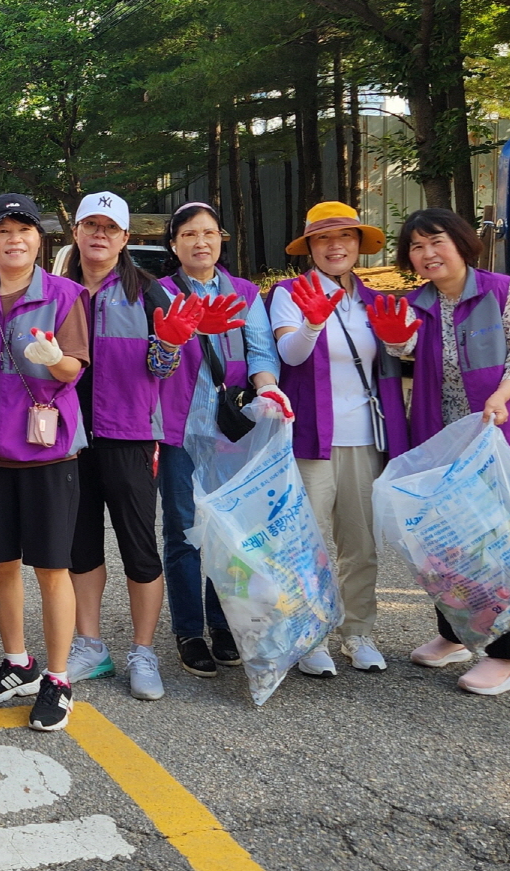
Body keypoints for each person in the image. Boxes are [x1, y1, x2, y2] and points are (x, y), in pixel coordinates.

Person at [377, 208, 510, 696]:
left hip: (509, 440)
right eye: (416, 247)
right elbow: (402, 354)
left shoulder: (503, 291)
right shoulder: (418, 304)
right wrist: (396, 342)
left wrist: (501, 397)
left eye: (435, 241)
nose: (427, 254)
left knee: (509, 551)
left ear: (461, 242)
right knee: (450, 545)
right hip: (448, 443)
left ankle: (508, 658)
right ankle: (455, 635)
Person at [0, 193, 89, 732]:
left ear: (41, 240)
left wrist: (56, 361)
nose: (14, 239)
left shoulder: (65, 294)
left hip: (46, 455)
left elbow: (74, 369)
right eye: (3, 231)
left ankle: (57, 678)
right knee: (1, 564)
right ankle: (17, 662)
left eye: (25, 230)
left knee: (52, 569)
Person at [62, 192, 203, 701]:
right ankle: (90, 644)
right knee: (80, 547)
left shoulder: (149, 293)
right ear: (75, 233)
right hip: (69, 439)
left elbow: (162, 371)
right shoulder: (58, 291)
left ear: (125, 239)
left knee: (140, 549)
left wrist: (167, 347)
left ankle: (143, 651)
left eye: (110, 228)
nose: (99, 235)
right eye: (90, 225)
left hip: (131, 436)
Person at [268, 202, 410, 677]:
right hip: (310, 436)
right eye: (324, 239)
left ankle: (359, 632)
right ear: (309, 247)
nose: (336, 246)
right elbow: (289, 354)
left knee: (360, 544)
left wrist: (400, 342)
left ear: (358, 245)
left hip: (364, 436)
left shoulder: (372, 298)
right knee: (307, 544)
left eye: (346, 237)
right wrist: (311, 322)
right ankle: (309, 637)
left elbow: (397, 351)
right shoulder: (290, 293)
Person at [157, 201, 287, 678]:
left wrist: (268, 388)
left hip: (233, 429)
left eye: (209, 232)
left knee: (230, 532)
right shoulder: (160, 291)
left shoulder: (246, 293)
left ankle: (224, 622)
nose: (200, 241)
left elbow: (260, 352)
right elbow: (156, 361)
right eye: (189, 234)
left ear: (221, 239)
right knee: (184, 531)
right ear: (175, 244)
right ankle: (189, 630)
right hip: (177, 429)